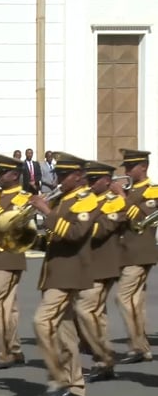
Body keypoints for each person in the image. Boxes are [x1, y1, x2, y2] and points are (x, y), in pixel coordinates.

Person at [29, 152, 98, 396]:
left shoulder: (85, 200)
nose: (58, 179)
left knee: (42, 322)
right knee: (64, 332)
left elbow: (76, 234)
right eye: (57, 174)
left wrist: (46, 210)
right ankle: (75, 386)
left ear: (79, 177)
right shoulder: (64, 199)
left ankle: (58, 381)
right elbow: (55, 239)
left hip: (69, 273)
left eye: (63, 175)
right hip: (56, 271)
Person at [75, 160, 126, 383]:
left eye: (95, 180)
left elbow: (99, 230)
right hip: (85, 264)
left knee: (85, 310)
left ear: (107, 181)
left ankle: (103, 358)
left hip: (102, 265)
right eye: (89, 179)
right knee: (97, 314)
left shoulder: (113, 202)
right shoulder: (86, 199)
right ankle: (104, 362)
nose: (90, 183)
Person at [0, 154, 30, 370]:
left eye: (3, 173)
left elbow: (9, 224)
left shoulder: (22, 198)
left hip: (9, 256)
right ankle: (14, 349)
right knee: (9, 306)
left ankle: (4, 352)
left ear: (14, 175)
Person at [114, 148, 157, 364]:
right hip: (127, 252)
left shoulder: (152, 191)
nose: (128, 171)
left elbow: (141, 218)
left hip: (141, 252)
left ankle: (138, 346)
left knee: (123, 297)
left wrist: (121, 196)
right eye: (127, 167)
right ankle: (142, 348)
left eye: (131, 167)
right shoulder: (132, 191)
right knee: (135, 301)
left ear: (144, 167)